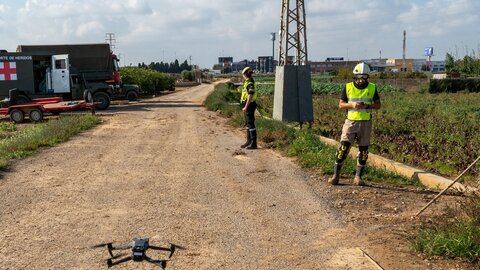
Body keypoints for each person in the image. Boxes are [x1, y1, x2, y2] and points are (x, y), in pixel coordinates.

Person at [328, 62, 381, 186]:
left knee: (364, 150)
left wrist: (367, 105)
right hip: (351, 122)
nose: (361, 80)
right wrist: (352, 105)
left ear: (368, 77)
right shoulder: (348, 87)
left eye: (364, 77)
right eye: (358, 77)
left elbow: (378, 105)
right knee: (343, 148)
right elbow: (341, 104)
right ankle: (335, 175)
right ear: (355, 77)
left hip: (366, 123)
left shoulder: (372, 88)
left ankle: (358, 177)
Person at [240, 66, 258, 149]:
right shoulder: (247, 82)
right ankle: (248, 141)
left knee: (251, 124)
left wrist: (246, 107)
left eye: (243, 74)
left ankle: (253, 143)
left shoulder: (250, 82)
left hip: (249, 105)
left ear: (245, 74)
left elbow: (250, 95)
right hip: (247, 105)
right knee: (247, 124)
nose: (242, 76)